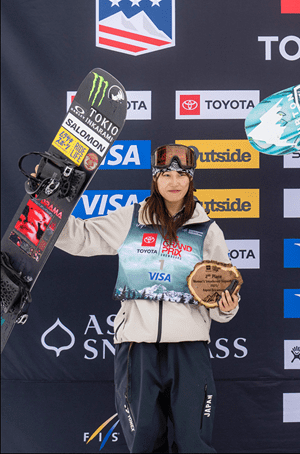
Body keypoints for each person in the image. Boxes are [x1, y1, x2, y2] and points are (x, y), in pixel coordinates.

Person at [54, 144, 239, 453]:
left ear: (191, 179)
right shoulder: (131, 220)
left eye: (182, 174)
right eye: (166, 174)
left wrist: (226, 309)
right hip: (137, 349)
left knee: (193, 443)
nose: (174, 181)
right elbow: (82, 237)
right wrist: (47, 205)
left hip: (189, 349)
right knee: (144, 442)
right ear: (155, 179)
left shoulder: (208, 230)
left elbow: (221, 298)